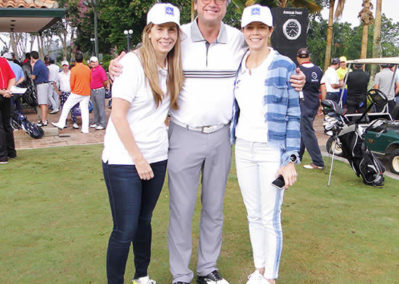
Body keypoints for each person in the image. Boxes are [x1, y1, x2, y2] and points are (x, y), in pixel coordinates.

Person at [109, 1, 305, 282]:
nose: (212, 3)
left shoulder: (239, 38)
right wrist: (116, 64)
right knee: (181, 210)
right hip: (182, 133)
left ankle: (207, 269)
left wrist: (296, 78)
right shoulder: (178, 35)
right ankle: (180, 274)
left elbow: (268, 60)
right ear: (195, 4)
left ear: (226, 5)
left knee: (214, 209)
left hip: (221, 136)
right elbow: (148, 52)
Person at [102, 3, 184, 284]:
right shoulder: (131, 65)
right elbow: (117, 115)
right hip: (125, 160)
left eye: (171, 30)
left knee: (144, 222)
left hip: (157, 156)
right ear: (149, 32)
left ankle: (142, 276)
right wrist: (138, 158)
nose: (166, 35)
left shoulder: (172, 65)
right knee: (124, 229)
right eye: (160, 29)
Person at [230, 5, 300, 283]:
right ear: (243, 31)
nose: (255, 33)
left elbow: (294, 114)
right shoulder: (237, 62)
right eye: (250, 28)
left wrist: (289, 160)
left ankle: (270, 277)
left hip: (271, 150)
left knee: (271, 216)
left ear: (270, 31)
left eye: (261, 28)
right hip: (243, 147)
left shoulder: (284, 65)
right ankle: (259, 269)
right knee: (253, 213)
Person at [296, 47, 325, 170]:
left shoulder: (298, 70)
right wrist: (322, 104)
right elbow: (323, 87)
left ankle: (318, 162)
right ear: (309, 57)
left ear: (298, 58)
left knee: (307, 131)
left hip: (303, 103)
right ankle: (298, 156)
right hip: (313, 103)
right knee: (304, 129)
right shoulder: (318, 69)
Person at [52, 52, 91, 133]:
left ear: (75, 61)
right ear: (83, 60)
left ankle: (61, 123)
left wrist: (73, 90)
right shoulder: (87, 68)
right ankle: (85, 129)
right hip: (86, 92)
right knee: (84, 110)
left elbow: (71, 82)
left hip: (76, 92)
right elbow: (90, 80)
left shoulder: (74, 69)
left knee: (66, 106)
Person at [0, 56, 16, 164]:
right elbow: (12, 77)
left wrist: (4, 91)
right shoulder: (4, 60)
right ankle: (11, 152)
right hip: (6, 95)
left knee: (1, 125)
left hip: (4, 94)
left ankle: (2, 156)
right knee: (6, 123)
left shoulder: (3, 61)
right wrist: (8, 91)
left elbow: (11, 77)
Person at [55, 60, 79, 129]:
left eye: (66, 66)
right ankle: (63, 122)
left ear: (68, 66)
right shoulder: (59, 74)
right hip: (63, 92)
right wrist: (57, 91)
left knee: (73, 108)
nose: (65, 67)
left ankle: (74, 122)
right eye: (64, 66)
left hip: (71, 92)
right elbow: (54, 82)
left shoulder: (71, 73)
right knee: (63, 107)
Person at [30, 51, 50, 126]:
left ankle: (43, 121)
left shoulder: (37, 65)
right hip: (45, 84)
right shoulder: (41, 63)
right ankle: (44, 119)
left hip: (41, 85)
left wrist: (32, 67)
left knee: (42, 103)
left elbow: (33, 76)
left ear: (32, 57)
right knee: (44, 103)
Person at [89, 56, 109, 130]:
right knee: (95, 108)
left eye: (94, 62)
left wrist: (102, 87)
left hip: (99, 90)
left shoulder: (100, 69)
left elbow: (105, 81)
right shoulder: (91, 70)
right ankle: (97, 122)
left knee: (101, 107)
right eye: (91, 62)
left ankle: (102, 123)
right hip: (93, 90)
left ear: (97, 62)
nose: (93, 63)